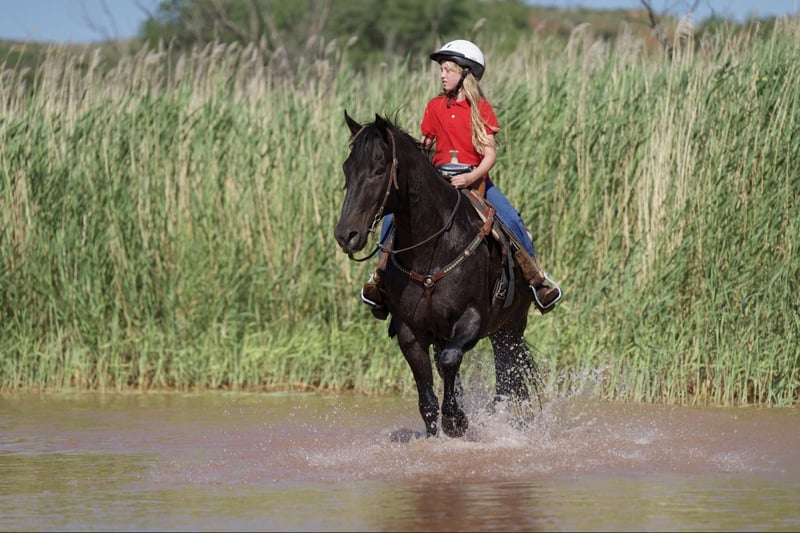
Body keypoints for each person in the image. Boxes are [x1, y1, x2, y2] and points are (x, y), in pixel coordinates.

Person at [361, 39, 562, 318]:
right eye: (441, 70)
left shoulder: (480, 108)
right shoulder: (434, 106)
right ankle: (380, 279)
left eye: (448, 70)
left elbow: (489, 155)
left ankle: (537, 281)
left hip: (475, 181)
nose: (442, 75)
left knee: (511, 219)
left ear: (466, 73)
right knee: (392, 217)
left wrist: (471, 177)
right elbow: (424, 146)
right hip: (438, 180)